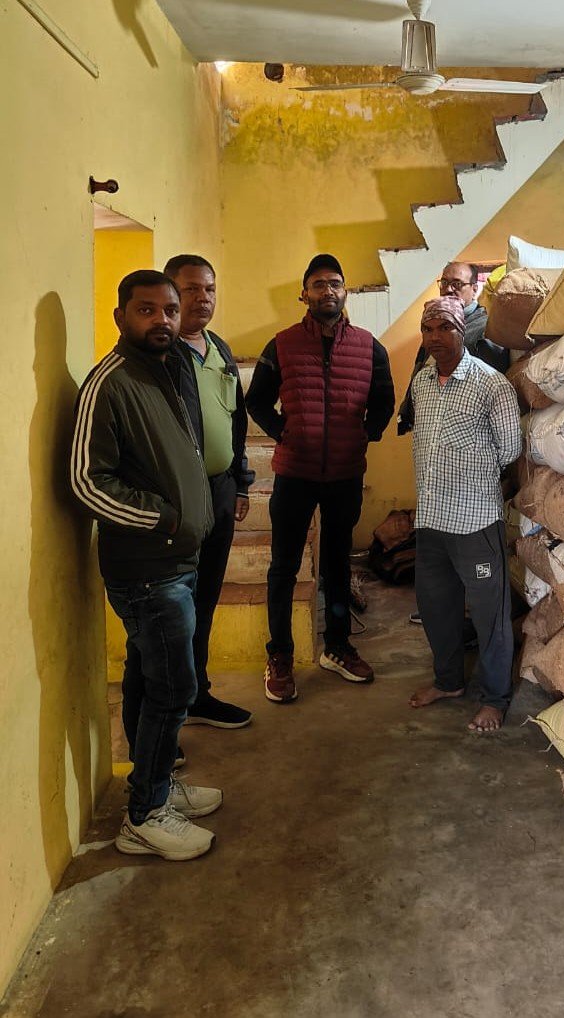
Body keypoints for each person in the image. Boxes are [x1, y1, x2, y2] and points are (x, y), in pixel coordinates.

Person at [70, 270, 223, 861]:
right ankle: (143, 816)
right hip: (146, 568)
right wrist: (164, 520)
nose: (162, 320)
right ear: (121, 317)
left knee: (145, 678)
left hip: (178, 559)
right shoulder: (108, 383)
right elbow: (87, 482)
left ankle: (152, 785)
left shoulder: (169, 366)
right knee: (174, 686)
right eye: (146, 310)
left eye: (169, 310)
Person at [246, 254, 394, 702]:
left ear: (344, 292)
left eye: (334, 283)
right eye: (318, 284)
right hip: (295, 474)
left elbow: (384, 401)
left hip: (345, 475)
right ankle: (280, 655)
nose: (327, 290)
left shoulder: (369, 347)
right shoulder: (282, 345)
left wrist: (365, 434)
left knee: (336, 563)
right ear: (304, 294)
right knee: (284, 567)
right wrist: (283, 433)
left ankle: (337, 646)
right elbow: (256, 401)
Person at [407, 297, 522, 733]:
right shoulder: (421, 382)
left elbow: (510, 450)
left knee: (490, 615)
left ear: (462, 331)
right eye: (428, 328)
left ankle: (495, 698)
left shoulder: (492, 384)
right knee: (436, 607)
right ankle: (448, 681)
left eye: (445, 327)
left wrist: (472, 470)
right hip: (431, 518)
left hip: (475, 519)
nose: (435, 336)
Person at [165, 254, 255, 729]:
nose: (203, 298)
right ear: (171, 294)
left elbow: (235, 420)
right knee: (172, 608)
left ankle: (197, 694)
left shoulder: (218, 347)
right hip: (178, 500)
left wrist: (240, 483)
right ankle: (167, 713)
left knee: (205, 599)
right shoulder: (160, 354)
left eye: (210, 289)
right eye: (192, 289)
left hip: (220, 491)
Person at [396, 261, 508, 435]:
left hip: (465, 431)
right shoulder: (434, 325)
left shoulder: (487, 329)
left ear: (474, 289)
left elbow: (493, 389)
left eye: (457, 284)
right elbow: (420, 369)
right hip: (429, 426)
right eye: (444, 283)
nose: (448, 289)